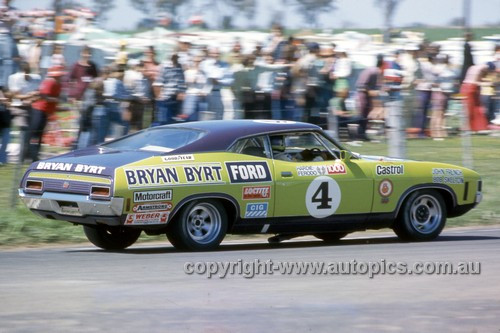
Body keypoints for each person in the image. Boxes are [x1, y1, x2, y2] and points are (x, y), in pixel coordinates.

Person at [27, 65, 64, 161]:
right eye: (59, 76)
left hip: (45, 112)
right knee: (35, 134)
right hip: (39, 110)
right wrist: (56, 100)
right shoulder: (49, 82)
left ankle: (35, 155)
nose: (61, 77)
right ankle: (31, 155)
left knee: (39, 134)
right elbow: (43, 96)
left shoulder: (58, 85)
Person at [355, 54, 384, 141]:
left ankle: (362, 134)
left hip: (366, 96)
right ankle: (360, 134)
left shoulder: (371, 70)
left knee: (364, 116)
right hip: (363, 96)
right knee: (362, 115)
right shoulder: (372, 71)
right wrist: (370, 91)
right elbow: (361, 86)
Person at [460, 63, 495, 132]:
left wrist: (484, 81)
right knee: (474, 109)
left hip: (466, 87)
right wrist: (487, 84)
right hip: (471, 88)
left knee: (472, 108)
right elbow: (475, 82)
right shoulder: (482, 69)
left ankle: (472, 127)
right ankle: (475, 127)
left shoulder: (473, 67)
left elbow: (474, 79)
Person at [153, 53, 185, 126]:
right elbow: (158, 83)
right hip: (166, 98)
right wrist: (159, 97)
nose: (175, 59)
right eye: (174, 57)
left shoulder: (179, 67)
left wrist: (182, 92)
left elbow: (182, 81)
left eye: (177, 57)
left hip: (176, 99)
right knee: (164, 121)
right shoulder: (165, 67)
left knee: (174, 122)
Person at [430, 54, 456, 138]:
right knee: (437, 113)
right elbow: (436, 81)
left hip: (445, 92)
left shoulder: (447, 68)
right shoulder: (440, 68)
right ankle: (436, 133)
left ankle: (442, 131)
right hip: (440, 92)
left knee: (441, 113)